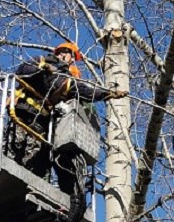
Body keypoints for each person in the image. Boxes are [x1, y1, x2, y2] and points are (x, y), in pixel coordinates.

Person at [7, 40, 126, 191]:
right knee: (13, 154)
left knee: (32, 160)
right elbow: (23, 70)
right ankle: (10, 186)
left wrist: (105, 93)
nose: (64, 54)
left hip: (41, 122)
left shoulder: (64, 77)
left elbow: (77, 89)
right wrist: (42, 68)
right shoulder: (42, 62)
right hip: (23, 113)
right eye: (61, 51)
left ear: (72, 59)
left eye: (68, 53)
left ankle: (21, 189)